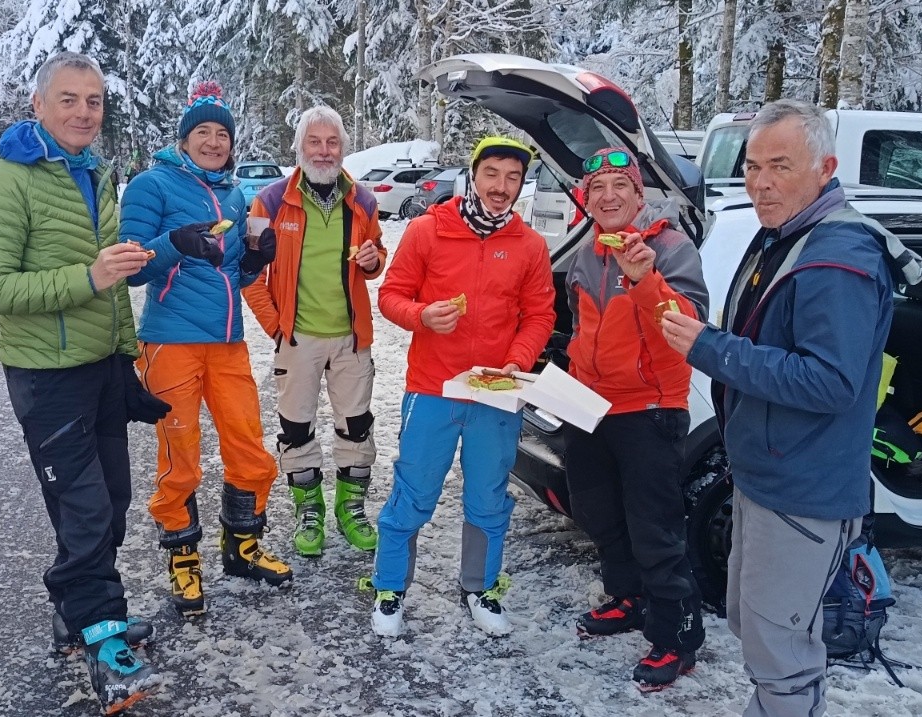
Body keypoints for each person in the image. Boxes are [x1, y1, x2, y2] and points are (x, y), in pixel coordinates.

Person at [658, 99, 920, 717]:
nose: (761, 181)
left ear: (825, 167)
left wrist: (711, 349)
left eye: (780, 165)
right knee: (755, 626)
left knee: (781, 647)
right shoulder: (785, 236)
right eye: (752, 166)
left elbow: (832, 383)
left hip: (804, 488)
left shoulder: (839, 259)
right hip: (764, 475)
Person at [0, 51, 162, 714]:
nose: (84, 112)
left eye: (94, 100)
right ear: (39, 106)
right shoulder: (6, 181)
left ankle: (72, 615)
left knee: (111, 498)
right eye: (70, 99)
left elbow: (109, 279)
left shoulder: (91, 173)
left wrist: (127, 350)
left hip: (101, 366)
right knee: (85, 508)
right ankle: (107, 640)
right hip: (47, 377)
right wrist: (90, 278)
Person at [370, 136, 556, 636]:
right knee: (413, 491)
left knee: (489, 496)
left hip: (495, 391)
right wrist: (422, 315)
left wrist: (518, 360)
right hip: (433, 388)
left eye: (512, 177)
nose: (501, 187)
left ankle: (481, 587)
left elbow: (540, 315)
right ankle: (390, 589)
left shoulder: (530, 245)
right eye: (492, 173)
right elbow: (391, 296)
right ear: (474, 175)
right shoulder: (428, 231)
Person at [121, 81, 291, 618]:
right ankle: (183, 557)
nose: (215, 141)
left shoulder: (237, 196)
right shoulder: (152, 186)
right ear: (184, 138)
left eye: (223, 133)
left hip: (226, 341)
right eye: (204, 132)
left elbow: (232, 272)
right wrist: (175, 243)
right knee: (181, 456)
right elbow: (135, 266)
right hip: (170, 341)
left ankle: (241, 547)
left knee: (249, 446)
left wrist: (257, 258)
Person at [563, 147, 710, 690]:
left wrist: (644, 280)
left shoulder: (669, 247)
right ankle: (628, 598)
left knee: (655, 529)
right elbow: (583, 326)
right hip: (589, 405)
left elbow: (688, 324)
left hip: (649, 407)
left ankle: (678, 638)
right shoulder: (586, 251)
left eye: (618, 185)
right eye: (597, 187)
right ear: (586, 198)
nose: (608, 195)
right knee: (599, 513)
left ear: (638, 193)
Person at [242, 106, 388, 557]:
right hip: (298, 338)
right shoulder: (267, 202)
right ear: (299, 147)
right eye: (314, 142)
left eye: (332, 143)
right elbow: (249, 271)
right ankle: (310, 511)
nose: (324, 152)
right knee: (297, 427)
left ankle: (352, 507)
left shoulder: (362, 201)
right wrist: (277, 328)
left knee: (356, 426)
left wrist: (374, 261)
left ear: (343, 148)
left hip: (350, 339)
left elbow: (377, 253)